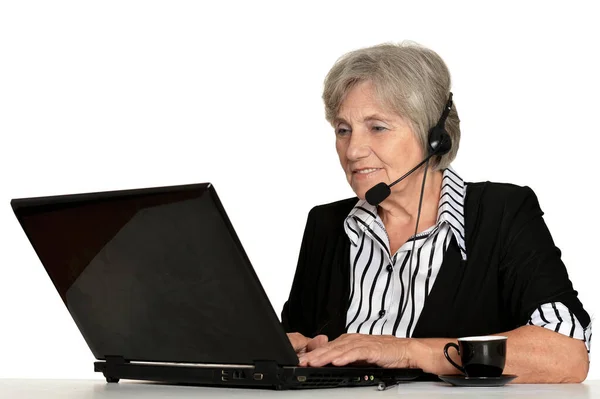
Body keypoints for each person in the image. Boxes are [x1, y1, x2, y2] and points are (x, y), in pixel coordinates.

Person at [281, 42, 591, 383]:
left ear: (435, 138)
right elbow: (300, 349)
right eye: (343, 130)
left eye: (378, 127)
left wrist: (406, 351)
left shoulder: (502, 212)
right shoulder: (326, 226)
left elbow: (567, 354)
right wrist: (284, 350)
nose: (353, 150)